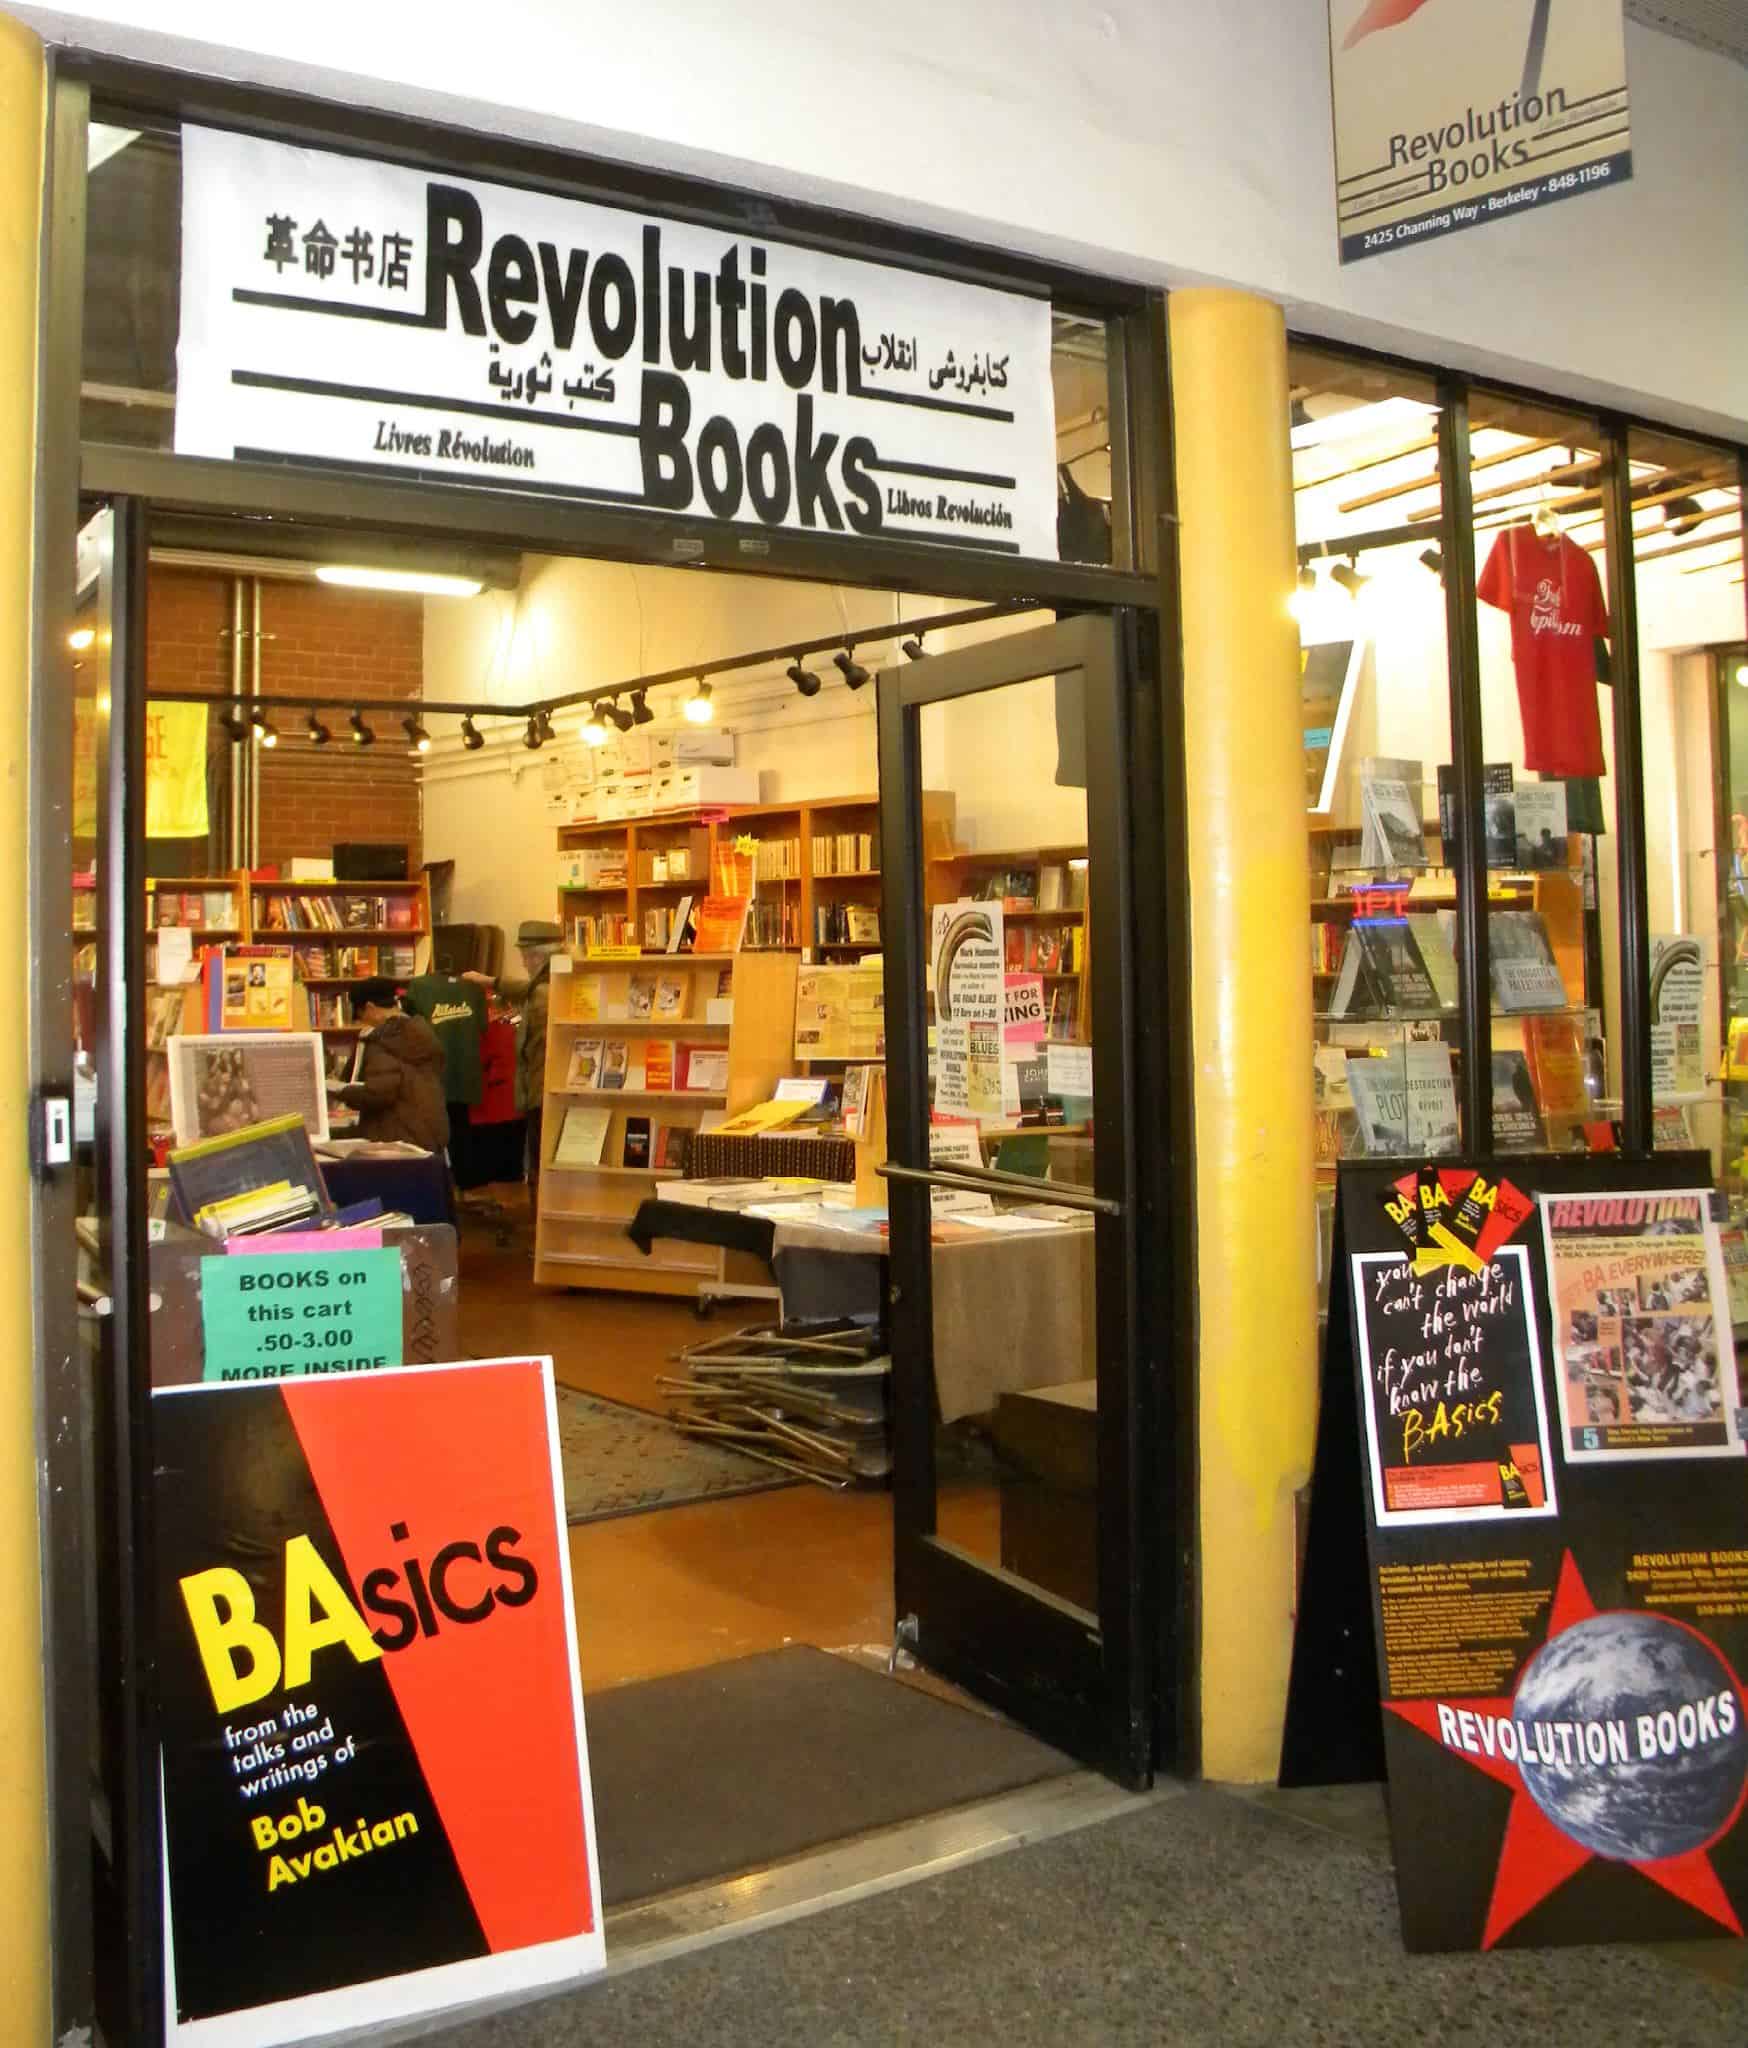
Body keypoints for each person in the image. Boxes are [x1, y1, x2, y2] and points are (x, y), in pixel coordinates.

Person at [464, 918, 561, 1190]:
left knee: (541, 1164)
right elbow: (525, 988)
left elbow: (533, 1046)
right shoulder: (558, 979)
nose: (523, 964)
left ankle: (538, 1221)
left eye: (525, 957)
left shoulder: (543, 994)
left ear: (537, 957)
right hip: (548, 1088)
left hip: (541, 1089)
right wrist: (490, 981)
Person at [327, 977, 450, 1150]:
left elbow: (378, 1094)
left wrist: (333, 1089)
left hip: (398, 1138)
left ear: (370, 1007)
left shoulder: (385, 1039)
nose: (363, 1022)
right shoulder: (418, 1032)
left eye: (361, 1015)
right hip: (427, 1134)